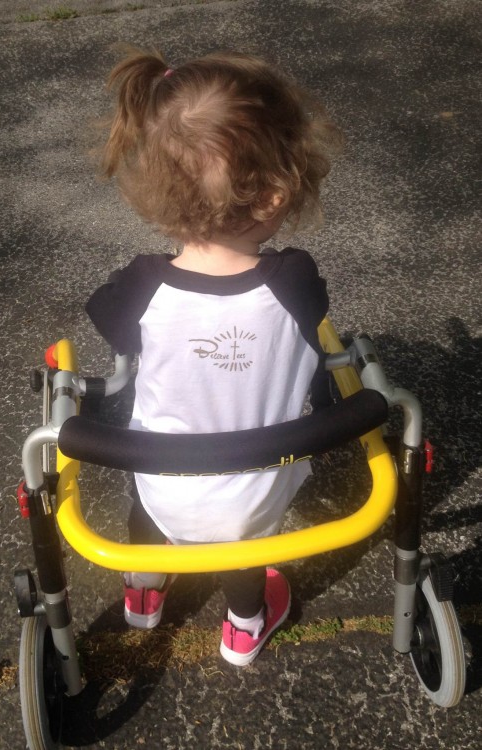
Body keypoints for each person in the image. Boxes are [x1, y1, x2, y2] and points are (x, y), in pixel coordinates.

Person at [86, 48, 342, 666]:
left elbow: (110, 324)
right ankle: (244, 626)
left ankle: (144, 591)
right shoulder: (295, 282)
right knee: (243, 544)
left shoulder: (144, 288)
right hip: (257, 486)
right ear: (278, 194)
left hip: (162, 479)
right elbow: (314, 328)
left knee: (148, 506)